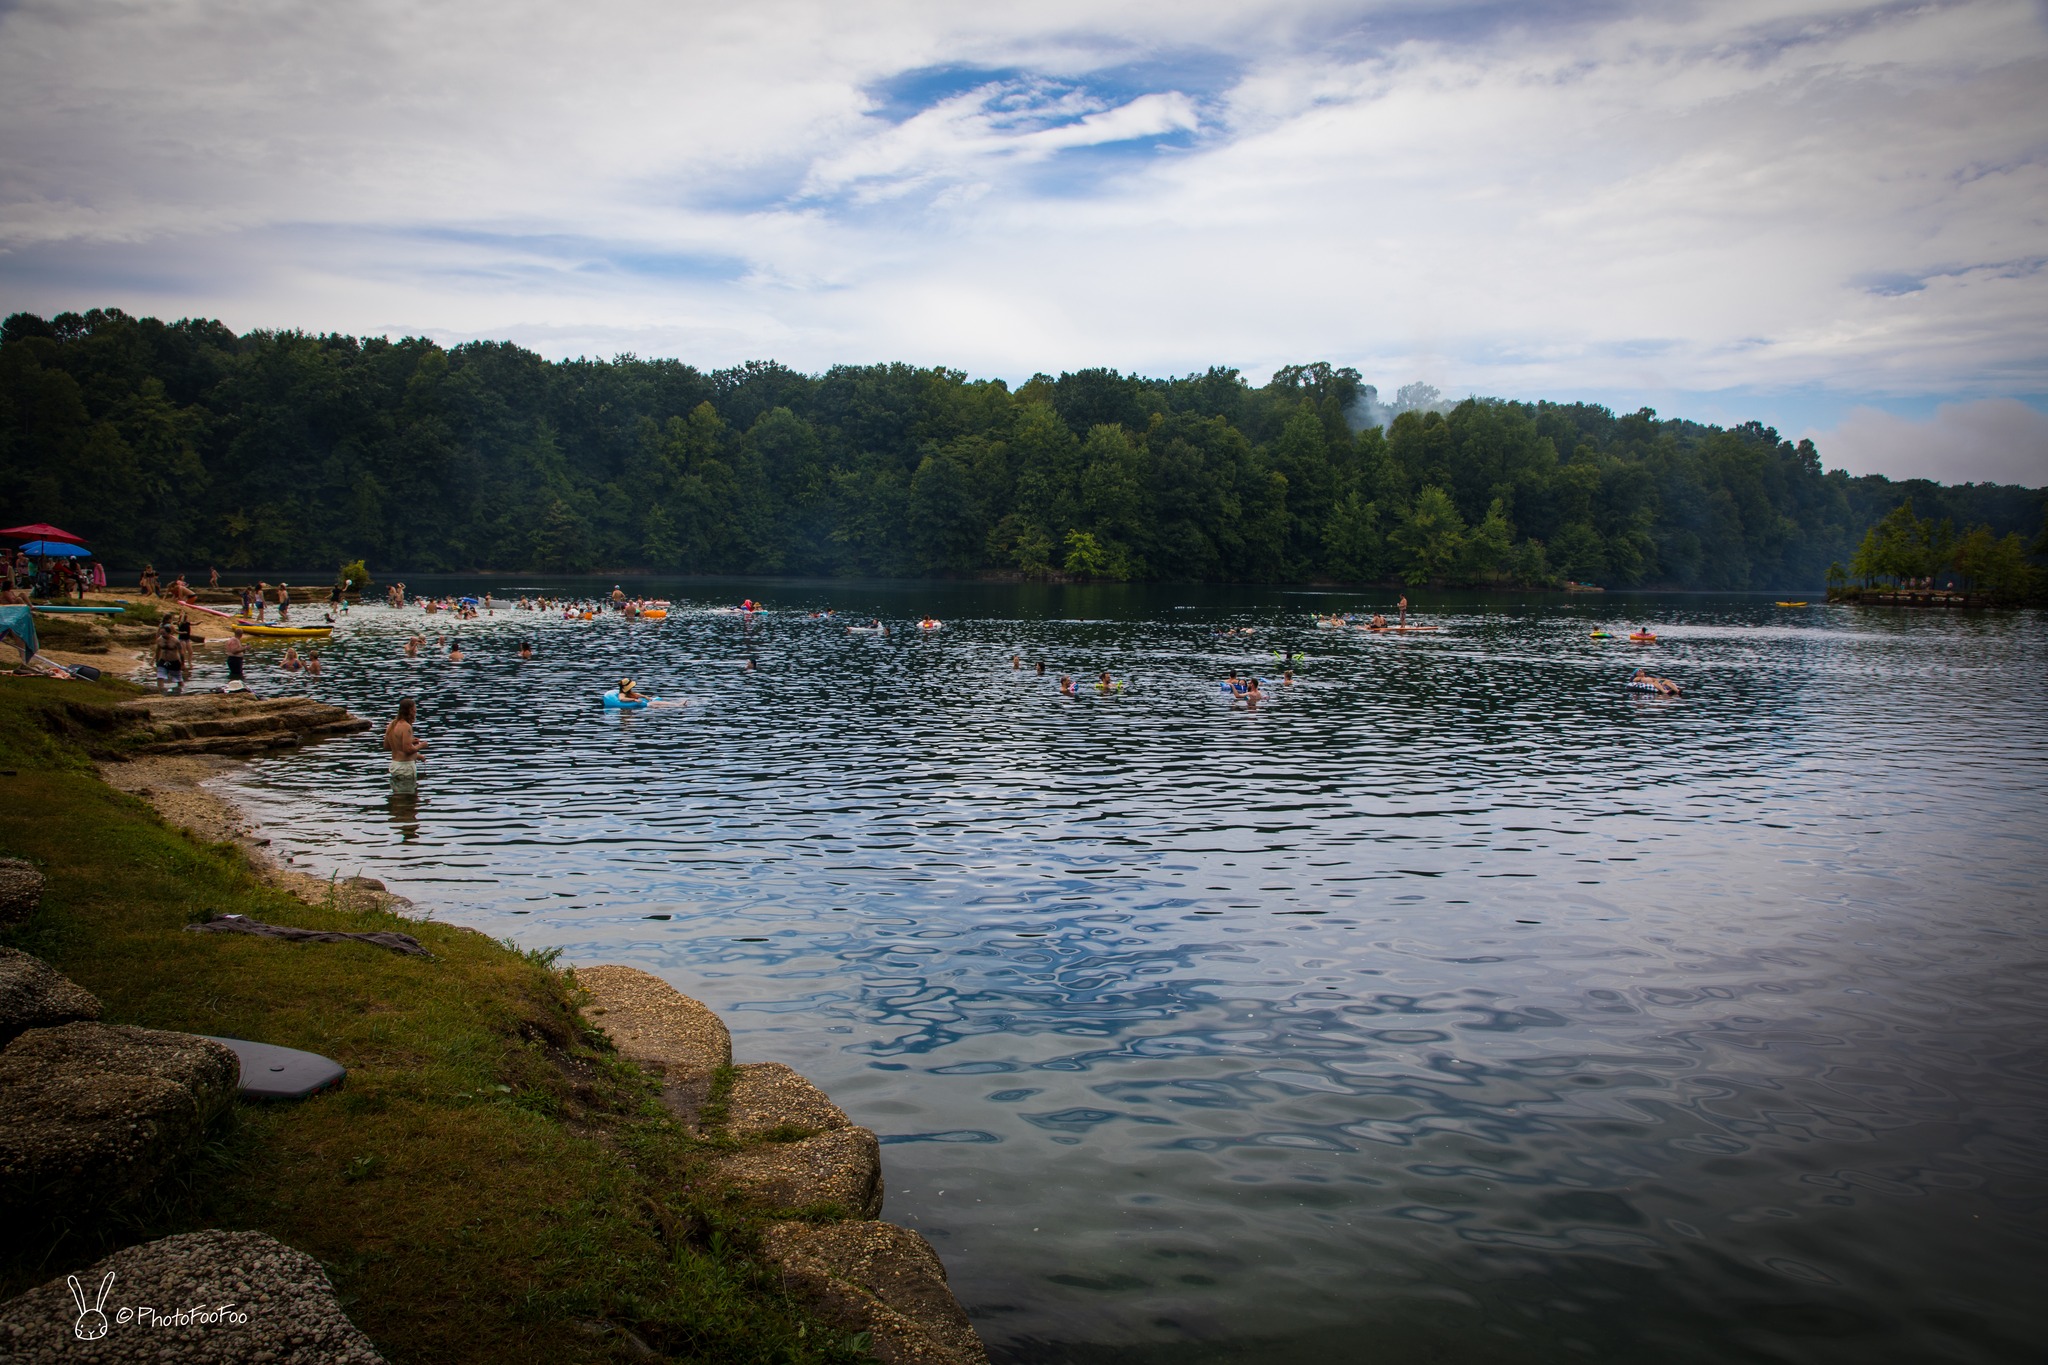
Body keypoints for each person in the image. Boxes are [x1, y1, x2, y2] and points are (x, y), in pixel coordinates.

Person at [384, 698, 425, 794]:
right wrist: (422, 745)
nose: (415, 711)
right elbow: (407, 750)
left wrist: (409, 741)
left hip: (395, 765)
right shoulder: (406, 726)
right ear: (410, 710)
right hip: (405, 768)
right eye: (415, 709)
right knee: (409, 799)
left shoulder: (392, 724)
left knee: (398, 797)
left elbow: (387, 746)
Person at [152, 622, 183, 693]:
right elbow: (158, 651)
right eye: (161, 633)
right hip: (163, 661)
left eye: (164, 633)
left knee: (178, 679)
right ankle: (160, 691)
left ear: (169, 633)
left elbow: (181, 653)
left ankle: (180, 691)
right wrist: (157, 661)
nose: (162, 635)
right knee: (160, 676)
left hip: (174, 661)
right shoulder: (159, 640)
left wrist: (183, 663)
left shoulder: (176, 641)